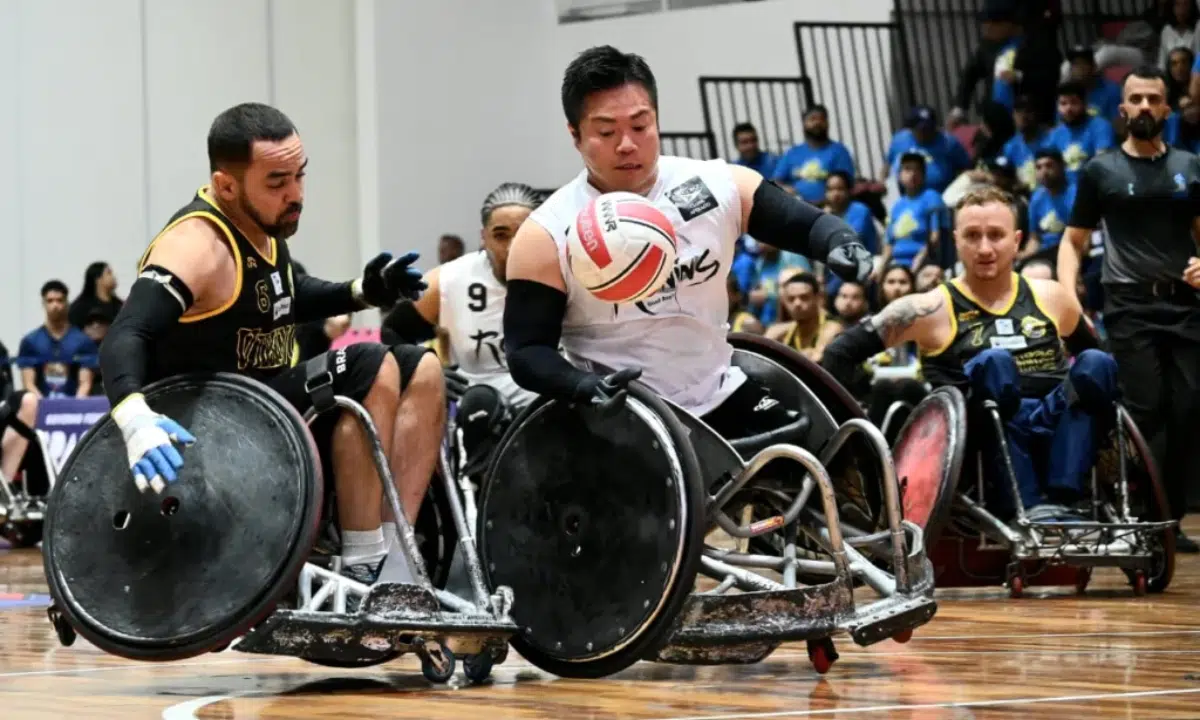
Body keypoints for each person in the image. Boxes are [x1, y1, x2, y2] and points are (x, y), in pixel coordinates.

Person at [98, 102, 447, 584]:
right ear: (226, 186)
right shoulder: (197, 246)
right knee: (370, 364)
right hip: (217, 424)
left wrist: (362, 292)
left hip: (270, 409)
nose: (296, 194)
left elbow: (281, 296)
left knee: (422, 367)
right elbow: (126, 331)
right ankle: (364, 561)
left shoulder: (261, 226)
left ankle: (398, 559)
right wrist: (135, 420)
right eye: (278, 182)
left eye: (300, 176)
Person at [502, 45, 872, 441]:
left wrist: (839, 240)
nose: (627, 144)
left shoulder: (717, 185)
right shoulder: (547, 233)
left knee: (824, 462)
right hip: (621, 412)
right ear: (575, 135)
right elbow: (526, 351)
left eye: (641, 126)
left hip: (719, 392)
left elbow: (806, 224)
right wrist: (581, 387)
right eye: (606, 131)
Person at [824, 186, 1115, 523]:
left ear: (1017, 241)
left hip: (1056, 419)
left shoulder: (1051, 297)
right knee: (996, 362)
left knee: (1099, 363)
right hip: (981, 429)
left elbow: (1094, 361)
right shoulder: (927, 308)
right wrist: (852, 444)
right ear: (956, 240)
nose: (985, 248)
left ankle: (1068, 495)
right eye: (973, 236)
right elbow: (840, 353)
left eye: (996, 235)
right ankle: (1029, 504)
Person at [1058, 65, 1200, 552]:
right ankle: (1141, 517)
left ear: (1167, 107)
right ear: (1122, 109)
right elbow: (1073, 241)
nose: (1143, 106)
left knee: (1188, 408)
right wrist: (1065, 294)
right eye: (1135, 98)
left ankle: (1171, 518)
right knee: (1148, 409)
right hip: (1129, 307)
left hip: (1185, 306)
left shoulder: (1191, 165)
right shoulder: (1101, 170)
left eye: (1153, 99)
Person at [384, 182, 544, 473]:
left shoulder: (568, 271)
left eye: (523, 235)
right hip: (480, 404)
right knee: (481, 406)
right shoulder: (450, 280)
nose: (511, 247)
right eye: (500, 235)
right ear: (483, 238)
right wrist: (426, 371)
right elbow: (392, 332)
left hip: (547, 398)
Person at [17, 280, 98, 398]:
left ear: (67, 303)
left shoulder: (83, 342)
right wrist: (45, 407)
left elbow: (85, 384)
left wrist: (74, 408)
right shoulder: (30, 341)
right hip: (40, 407)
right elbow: (28, 384)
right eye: (50, 301)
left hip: (74, 407)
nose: (55, 305)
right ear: (43, 304)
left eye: (59, 300)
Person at [765, 273, 843, 362]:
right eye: (791, 299)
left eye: (804, 297)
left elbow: (816, 359)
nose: (797, 303)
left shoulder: (832, 327)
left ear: (818, 298)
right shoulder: (779, 332)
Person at [68, 262, 123, 329]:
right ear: (98, 279)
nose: (113, 277)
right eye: (109, 273)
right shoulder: (80, 307)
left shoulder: (120, 306)